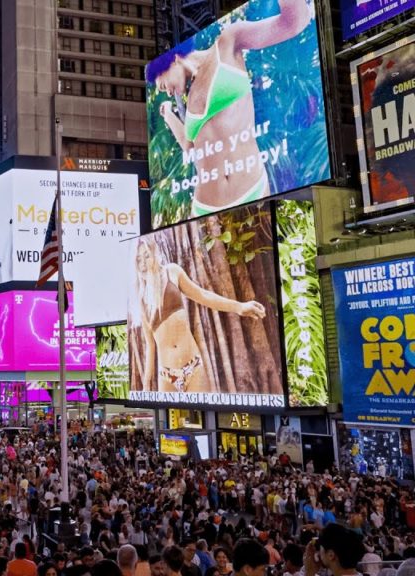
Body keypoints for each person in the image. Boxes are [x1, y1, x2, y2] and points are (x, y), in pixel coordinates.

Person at [146, 0, 313, 216]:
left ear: (174, 59)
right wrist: (169, 115)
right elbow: (190, 149)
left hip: (252, 190)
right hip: (204, 208)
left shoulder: (228, 41)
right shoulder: (190, 96)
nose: (166, 91)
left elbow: (293, 22)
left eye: (162, 84)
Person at [133, 238, 266, 393]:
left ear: (155, 254)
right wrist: (146, 386)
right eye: (138, 259)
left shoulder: (172, 272)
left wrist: (239, 307)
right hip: (167, 375)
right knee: (169, 416)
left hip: (193, 366)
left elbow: (203, 295)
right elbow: (150, 345)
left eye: (146, 256)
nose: (143, 263)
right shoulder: (141, 298)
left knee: (202, 413)